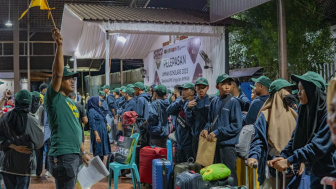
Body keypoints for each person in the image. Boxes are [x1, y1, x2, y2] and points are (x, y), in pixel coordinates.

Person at [268, 72, 336, 189]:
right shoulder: (304, 108)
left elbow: (318, 146)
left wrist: (290, 160)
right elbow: (296, 137)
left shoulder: (330, 112)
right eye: (298, 89)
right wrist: (284, 156)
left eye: (302, 89)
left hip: (331, 172)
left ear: (312, 91)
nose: (298, 93)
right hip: (314, 171)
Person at [45, 28, 90, 189]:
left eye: (73, 79)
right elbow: (56, 74)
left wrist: (83, 152)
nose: (72, 81)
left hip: (73, 154)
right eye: (68, 78)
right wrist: (59, 46)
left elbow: (76, 128)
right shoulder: (54, 98)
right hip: (63, 156)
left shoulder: (71, 103)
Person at [247, 79, 297, 188]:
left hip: (293, 167)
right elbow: (259, 140)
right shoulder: (265, 115)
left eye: (290, 90)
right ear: (278, 93)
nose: (289, 94)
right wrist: (254, 156)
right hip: (272, 167)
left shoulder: (295, 114)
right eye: (286, 90)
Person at [200, 74, 242, 185]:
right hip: (214, 145)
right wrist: (205, 129)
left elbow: (236, 126)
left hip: (227, 147)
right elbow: (209, 121)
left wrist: (218, 132)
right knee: (216, 177)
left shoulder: (234, 102)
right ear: (217, 86)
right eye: (223, 84)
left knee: (230, 177)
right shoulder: (213, 101)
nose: (227, 87)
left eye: (229, 84)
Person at [0, 90, 44, 189]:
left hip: (6, 163)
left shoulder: (4, 118)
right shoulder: (31, 120)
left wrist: (12, 146)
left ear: (15, 102)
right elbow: (39, 142)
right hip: (24, 164)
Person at [167, 83, 195, 163]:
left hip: (190, 143)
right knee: (180, 168)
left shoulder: (194, 103)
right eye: (182, 90)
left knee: (190, 168)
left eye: (186, 89)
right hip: (180, 142)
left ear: (192, 92)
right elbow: (168, 110)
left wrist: (188, 107)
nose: (183, 91)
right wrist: (180, 101)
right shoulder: (180, 102)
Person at [185, 78, 211, 157]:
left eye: (203, 87)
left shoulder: (211, 101)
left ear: (207, 88)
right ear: (195, 88)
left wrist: (207, 129)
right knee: (197, 162)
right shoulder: (193, 103)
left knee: (207, 164)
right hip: (196, 137)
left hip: (207, 137)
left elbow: (212, 120)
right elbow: (189, 121)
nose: (201, 90)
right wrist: (188, 109)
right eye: (199, 88)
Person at [87, 96, 111, 162]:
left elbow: (102, 118)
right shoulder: (91, 111)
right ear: (95, 102)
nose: (100, 102)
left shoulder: (98, 110)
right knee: (98, 152)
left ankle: (101, 169)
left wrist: (106, 124)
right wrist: (96, 135)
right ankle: (98, 169)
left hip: (103, 133)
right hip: (98, 133)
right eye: (99, 101)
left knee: (103, 152)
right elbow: (92, 123)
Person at [30, 91, 45, 177]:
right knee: (39, 154)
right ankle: (38, 171)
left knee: (31, 153)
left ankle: (31, 170)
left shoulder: (27, 108)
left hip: (30, 134)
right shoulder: (41, 108)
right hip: (40, 134)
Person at [133, 82, 151, 146]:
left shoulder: (140, 99)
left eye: (135, 89)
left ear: (139, 89)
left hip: (141, 124)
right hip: (147, 123)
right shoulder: (147, 98)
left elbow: (139, 113)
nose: (134, 91)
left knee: (141, 144)